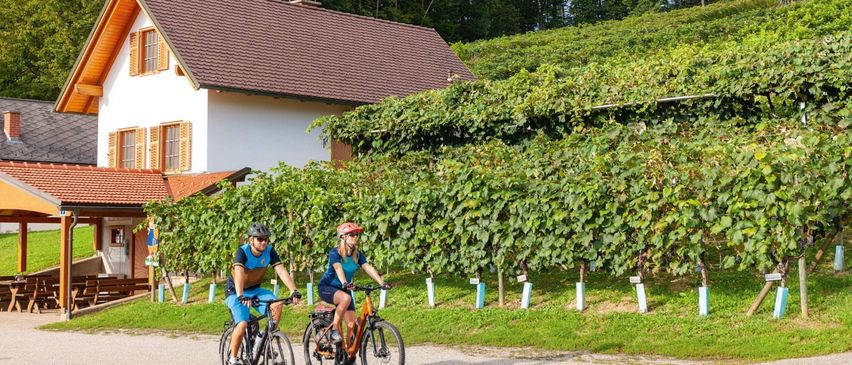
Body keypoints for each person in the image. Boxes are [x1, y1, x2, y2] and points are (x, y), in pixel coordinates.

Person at [224, 223, 301, 365]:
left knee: (277, 304)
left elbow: (281, 271)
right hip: (236, 291)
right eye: (260, 239)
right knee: (242, 324)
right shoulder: (243, 251)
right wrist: (241, 295)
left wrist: (293, 290)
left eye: (266, 239)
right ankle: (232, 359)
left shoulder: (269, 251)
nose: (264, 242)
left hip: (254, 290)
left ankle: (261, 339)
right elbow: (239, 275)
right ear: (251, 240)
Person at [318, 222, 390, 343]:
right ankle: (334, 330)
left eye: (356, 234)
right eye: (351, 234)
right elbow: (338, 268)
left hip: (344, 288)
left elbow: (367, 267)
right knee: (346, 298)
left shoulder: (357, 254)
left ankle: (348, 357)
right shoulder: (335, 253)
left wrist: (381, 282)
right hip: (327, 287)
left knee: (352, 327)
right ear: (343, 237)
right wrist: (345, 282)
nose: (355, 237)